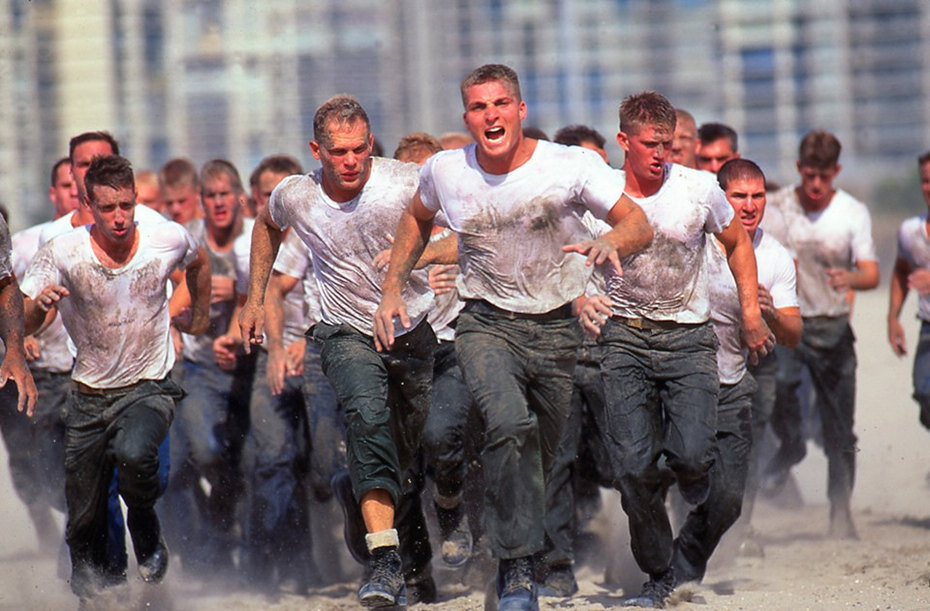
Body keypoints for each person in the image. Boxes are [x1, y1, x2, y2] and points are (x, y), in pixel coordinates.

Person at [374, 64, 653, 611]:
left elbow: (637, 223)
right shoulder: (446, 170)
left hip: (555, 329)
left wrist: (611, 242)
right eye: (479, 107)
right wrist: (392, 288)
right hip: (486, 323)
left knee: (539, 462)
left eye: (500, 104)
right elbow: (415, 218)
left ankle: (510, 556)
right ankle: (518, 570)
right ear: (467, 118)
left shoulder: (568, 165)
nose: (491, 115)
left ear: (520, 110)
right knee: (507, 424)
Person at [240, 95, 438, 608]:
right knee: (367, 422)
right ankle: (384, 560)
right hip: (344, 332)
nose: (350, 161)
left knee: (407, 460)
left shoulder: (406, 180)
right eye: (338, 152)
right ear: (317, 151)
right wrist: (255, 298)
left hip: (412, 331)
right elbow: (266, 225)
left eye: (358, 149)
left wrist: (421, 258)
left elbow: (464, 229)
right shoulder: (296, 194)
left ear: (371, 143)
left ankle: (406, 552)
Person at [588, 91, 771, 608]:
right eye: (650, 144)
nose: (660, 154)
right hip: (624, 337)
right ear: (624, 141)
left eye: (667, 144)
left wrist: (751, 312)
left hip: (688, 339)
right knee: (632, 468)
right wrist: (582, 298)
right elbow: (569, 257)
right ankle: (658, 572)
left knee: (692, 456)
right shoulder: (599, 195)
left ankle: (690, 478)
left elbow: (737, 243)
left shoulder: (698, 189)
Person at [20, 154, 210, 601]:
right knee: (83, 509)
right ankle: (94, 589)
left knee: (135, 453)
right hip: (88, 392)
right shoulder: (62, 251)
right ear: (89, 205)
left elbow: (199, 263)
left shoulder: (165, 238)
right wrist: (40, 308)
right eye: (108, 208)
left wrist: (198, 317)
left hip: (148, 384)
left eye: (126, 205)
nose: (119, 217)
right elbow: (24, 318)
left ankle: (144, 522)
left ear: (136, 198)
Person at [666, 158, 799, 586]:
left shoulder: (774, 256)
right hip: (676, 378)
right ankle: (658, 563)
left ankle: (687, 557)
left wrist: (769, 313)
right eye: (739, 196)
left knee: (728, 497)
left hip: (733, 381)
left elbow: (794, 333)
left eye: (757, 196)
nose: (749, 205)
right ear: (720, 197)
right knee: (672, 469)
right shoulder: (693, 240)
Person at [760, 130, 879, 539]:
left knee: (840, 427)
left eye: (823, 177)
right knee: (778, 389)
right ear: (798, 168)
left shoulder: (852, 213)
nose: (814, 185)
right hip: (788, 324)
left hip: (832, 326)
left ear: (836, 172)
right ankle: (791, 445)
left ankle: (840, 511)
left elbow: (871, 273)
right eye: (809, 175)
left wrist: (851, 278)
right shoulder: (778, 206)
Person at [163, 159, 255, 575]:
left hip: (250, 364)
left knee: (255, 459)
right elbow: (168, 290)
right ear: (202, 201)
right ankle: (217, 527)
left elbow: (269, 293)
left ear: (239, 199)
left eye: (225, 195)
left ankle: (242, 542)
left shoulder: (254, 238)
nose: (219, 203)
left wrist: (236, 295)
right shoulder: (187, 239)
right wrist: (192, 297)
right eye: (211, 196)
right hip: (200, 365)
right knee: (204, 450)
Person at [4, 158, 79, 552]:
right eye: (67, 185)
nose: (75, 192)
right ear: (54, 193)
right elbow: (10, 297)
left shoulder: (109, 240)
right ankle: (42, 518)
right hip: (33, 372)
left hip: (81, 374)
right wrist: (19, 338)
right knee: (27, 459)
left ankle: (83, 538)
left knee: (81, 465)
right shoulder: (24, 244)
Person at [889, 150, 930, 429]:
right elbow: (901, 270)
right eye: (925, 181)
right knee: (924, 392)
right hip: (928, 326)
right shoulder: (910, 231)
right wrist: (893, 318)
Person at [159, 158, 203, 225]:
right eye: (169, 203)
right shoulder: (161, 225)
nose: (175, 209)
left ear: (198, 193)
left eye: (181, 201)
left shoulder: (214, 228)